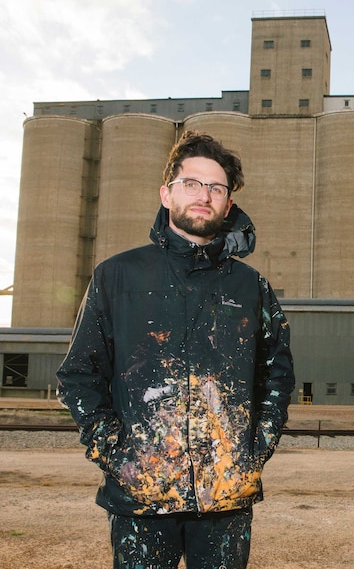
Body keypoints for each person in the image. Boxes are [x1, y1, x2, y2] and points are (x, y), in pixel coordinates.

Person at [56, 130, 296, 569]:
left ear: (227, 204)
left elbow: (277, 377)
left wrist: (252, 451)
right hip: (140, 497)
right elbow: (78, 376)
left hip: (225, 496)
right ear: (167, 194)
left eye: (216, 188)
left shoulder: (251, 288)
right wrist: (117, 455)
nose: (204, 195)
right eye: (192, 183)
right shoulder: (116, 277)